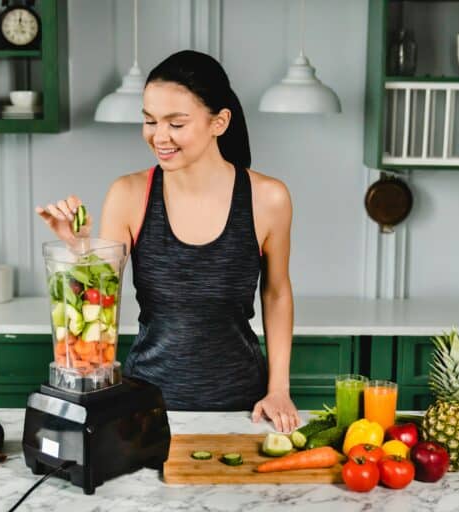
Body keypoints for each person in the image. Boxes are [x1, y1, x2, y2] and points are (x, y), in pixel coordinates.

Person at [36, 50, 299, 433]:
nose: (159, 136)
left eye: (176, 123)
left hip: (244, 409)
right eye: (149, 121)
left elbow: (276, 294)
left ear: (219, 122)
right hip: (145, 405)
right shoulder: (128, 194)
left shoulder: (268, 198)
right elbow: (96, 299)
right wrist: (78, 246)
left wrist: (279, 389)